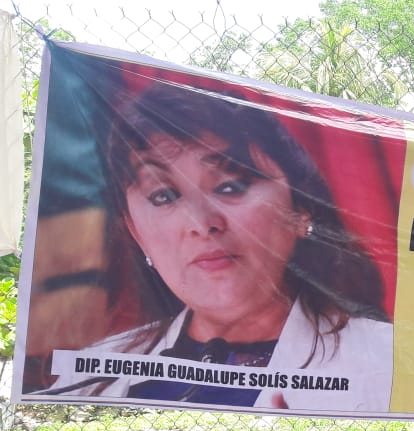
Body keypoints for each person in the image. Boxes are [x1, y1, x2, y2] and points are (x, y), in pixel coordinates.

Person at [45, 81, 394, 412]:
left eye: (230, 187)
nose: (201, 224)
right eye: (164, 195)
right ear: (137, 232)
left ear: (300, 210)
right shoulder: (92, 376)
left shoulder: (386, 359)